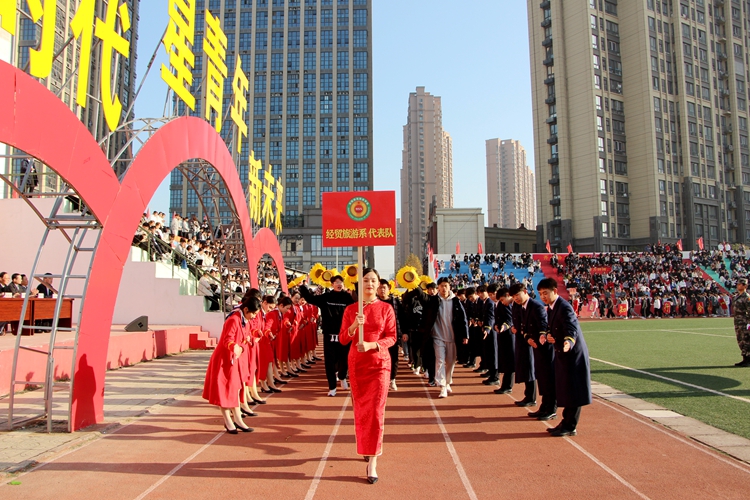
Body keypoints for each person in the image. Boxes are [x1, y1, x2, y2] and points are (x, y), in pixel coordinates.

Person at [339, 268, 397, 484]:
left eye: (374, 280)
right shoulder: (351, 309)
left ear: (378, 284)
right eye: (366, 280)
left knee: (375, 410)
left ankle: (373, 460)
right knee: (361, 409)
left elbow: (392, 337)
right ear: (359, 283)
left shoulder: (386, 308)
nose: (370, 284)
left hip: (379, 364)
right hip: (357, 364)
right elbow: (344, 339)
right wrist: (355, 325)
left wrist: (374, 344)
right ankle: (366, 445)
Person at [537, 278, 592, 436]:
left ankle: (570, 425)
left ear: (555, 291)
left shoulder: (564, 307)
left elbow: (570, 326)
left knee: (573, 390)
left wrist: (568, 341)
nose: (543, 297)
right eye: (540, 294)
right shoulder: (552, 307)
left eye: (546, 293)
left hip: (572, 355)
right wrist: (549, 335)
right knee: (566, 388)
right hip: (562, 353)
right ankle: (566, 421)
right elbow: (552, 327)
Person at [202, 295, 261, 434]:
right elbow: (228, 339)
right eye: (253, 313)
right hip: (225, 359)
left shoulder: (243, 319)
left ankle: (238, 419)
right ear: (246, 309)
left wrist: (250, 338)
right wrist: (234, 346)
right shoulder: (234, 320)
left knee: (235, 389)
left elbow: (246, 335)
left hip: (235, 359)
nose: (253, 317)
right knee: (226, 390)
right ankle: (228, 420)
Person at [412, 277, 470, 398]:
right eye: (441, 286)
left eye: (446, 286)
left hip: (452, 337)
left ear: (450, 287)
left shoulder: (456, 301)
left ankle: (448, 381)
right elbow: (422, 296)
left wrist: (465, 335)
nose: (443, 288)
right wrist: (413, 283)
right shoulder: (433, 300)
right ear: (438, 287)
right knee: (439, 360)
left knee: (450, 362)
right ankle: (442, 385)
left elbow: (463, 319)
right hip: (437, 337)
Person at [300, 275, 354, 396]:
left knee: (344, 359)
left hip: (344, 334)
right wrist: (302, 287)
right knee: (329, 361)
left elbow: (357, 305)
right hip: (329, 334)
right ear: (332, 284)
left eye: (341, 282)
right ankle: (332, 387)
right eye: (336, 282)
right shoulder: (326, 297)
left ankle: (342, 376)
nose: (339, 284)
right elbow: (310, 299)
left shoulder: (347, 297)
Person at [510, 282, 556, 421]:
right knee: (541, 377)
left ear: (525, 291)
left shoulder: (536, 307)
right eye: (513, 296)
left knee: (548, 378)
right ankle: (544, 406)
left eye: (517, 295)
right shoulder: (520, 307)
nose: (516, 298)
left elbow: (543, 325)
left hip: (544, 346)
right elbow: (523, 327)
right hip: (533, 345)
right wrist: (527, 337)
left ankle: (551, 408)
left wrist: (535, 338)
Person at [377, 278, 402, 391]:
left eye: (384, 288)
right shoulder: (374, 302)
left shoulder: (395, 302)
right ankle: (380, 380)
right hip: (378, 336)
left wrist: (404, 332)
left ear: (389, 289)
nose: (382, 290)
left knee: (393, 358)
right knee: (378, 358)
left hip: (392, 335)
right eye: (380, 287)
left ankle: (392, 379)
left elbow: (402, 317)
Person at [493, 287, 516, 394]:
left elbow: (509, 319)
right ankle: (505, 385)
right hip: (502, 335)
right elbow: (497, 319)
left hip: (508, 336)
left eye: (502, 299)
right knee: (505, 361)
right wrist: (496, 326)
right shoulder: (500, 304)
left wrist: (504, 326)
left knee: (509, 361)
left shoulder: (506, 305)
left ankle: (507, 386)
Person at [732, 278, 750, 367]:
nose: (738, 285)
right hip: (738, 322)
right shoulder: (737, 297)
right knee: (740, 340)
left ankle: (748, 359)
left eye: (740, 284)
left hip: (745, 322)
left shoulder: (747, 297)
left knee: (746, 340)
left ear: (745, 286)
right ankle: (744, 358)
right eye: (738, 284)